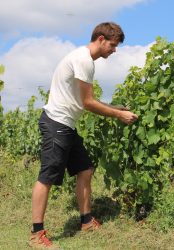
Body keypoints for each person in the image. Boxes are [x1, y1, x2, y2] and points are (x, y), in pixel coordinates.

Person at [29, 22, 138, 249]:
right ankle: (36, 234)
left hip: (66, 125)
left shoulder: (83, 58)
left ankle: (86, 221)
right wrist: (118, 115)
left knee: (85, 169)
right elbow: (88, 103)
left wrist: (116, 106)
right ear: (100, 38)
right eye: (112, 45)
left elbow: (85, 99)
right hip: (56, 124)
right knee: (47, 177)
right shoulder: (84, 60)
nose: (114, 50)